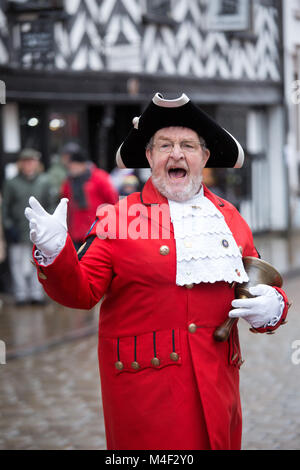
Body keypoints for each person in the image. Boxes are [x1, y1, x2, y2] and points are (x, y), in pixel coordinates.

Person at [24, 93, 289, 450]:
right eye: (164, 145)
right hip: (146, 401)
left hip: (219, 392)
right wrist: (56, 251)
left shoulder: (229, 217)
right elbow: (81, 293)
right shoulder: (118, 217)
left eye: (187, 145)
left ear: (204, 157)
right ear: (149, 157)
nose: (176, 154)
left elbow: (258, 281)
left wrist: (273, 308)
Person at [2, 148, 52, 305]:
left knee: (38, 263)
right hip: (18, 229)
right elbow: (5, 208)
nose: (29, 165)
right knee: (18, 263)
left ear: (37, 163)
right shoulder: (11, 183)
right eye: (25, 162)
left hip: (39, 231)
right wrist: (9, 226)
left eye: (32, 161)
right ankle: (21, 294)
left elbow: (51, 204)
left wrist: (47, 224)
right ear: (20, 164)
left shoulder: (45, 181)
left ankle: (36, 294)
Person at [60, 146, 118, 250]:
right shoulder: (68, 182)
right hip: (75, 233)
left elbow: (113, 202)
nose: (71, 169)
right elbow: (65, 206)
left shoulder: (99, 177)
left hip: (97, 231)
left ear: (82, 164)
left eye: (73, 165)